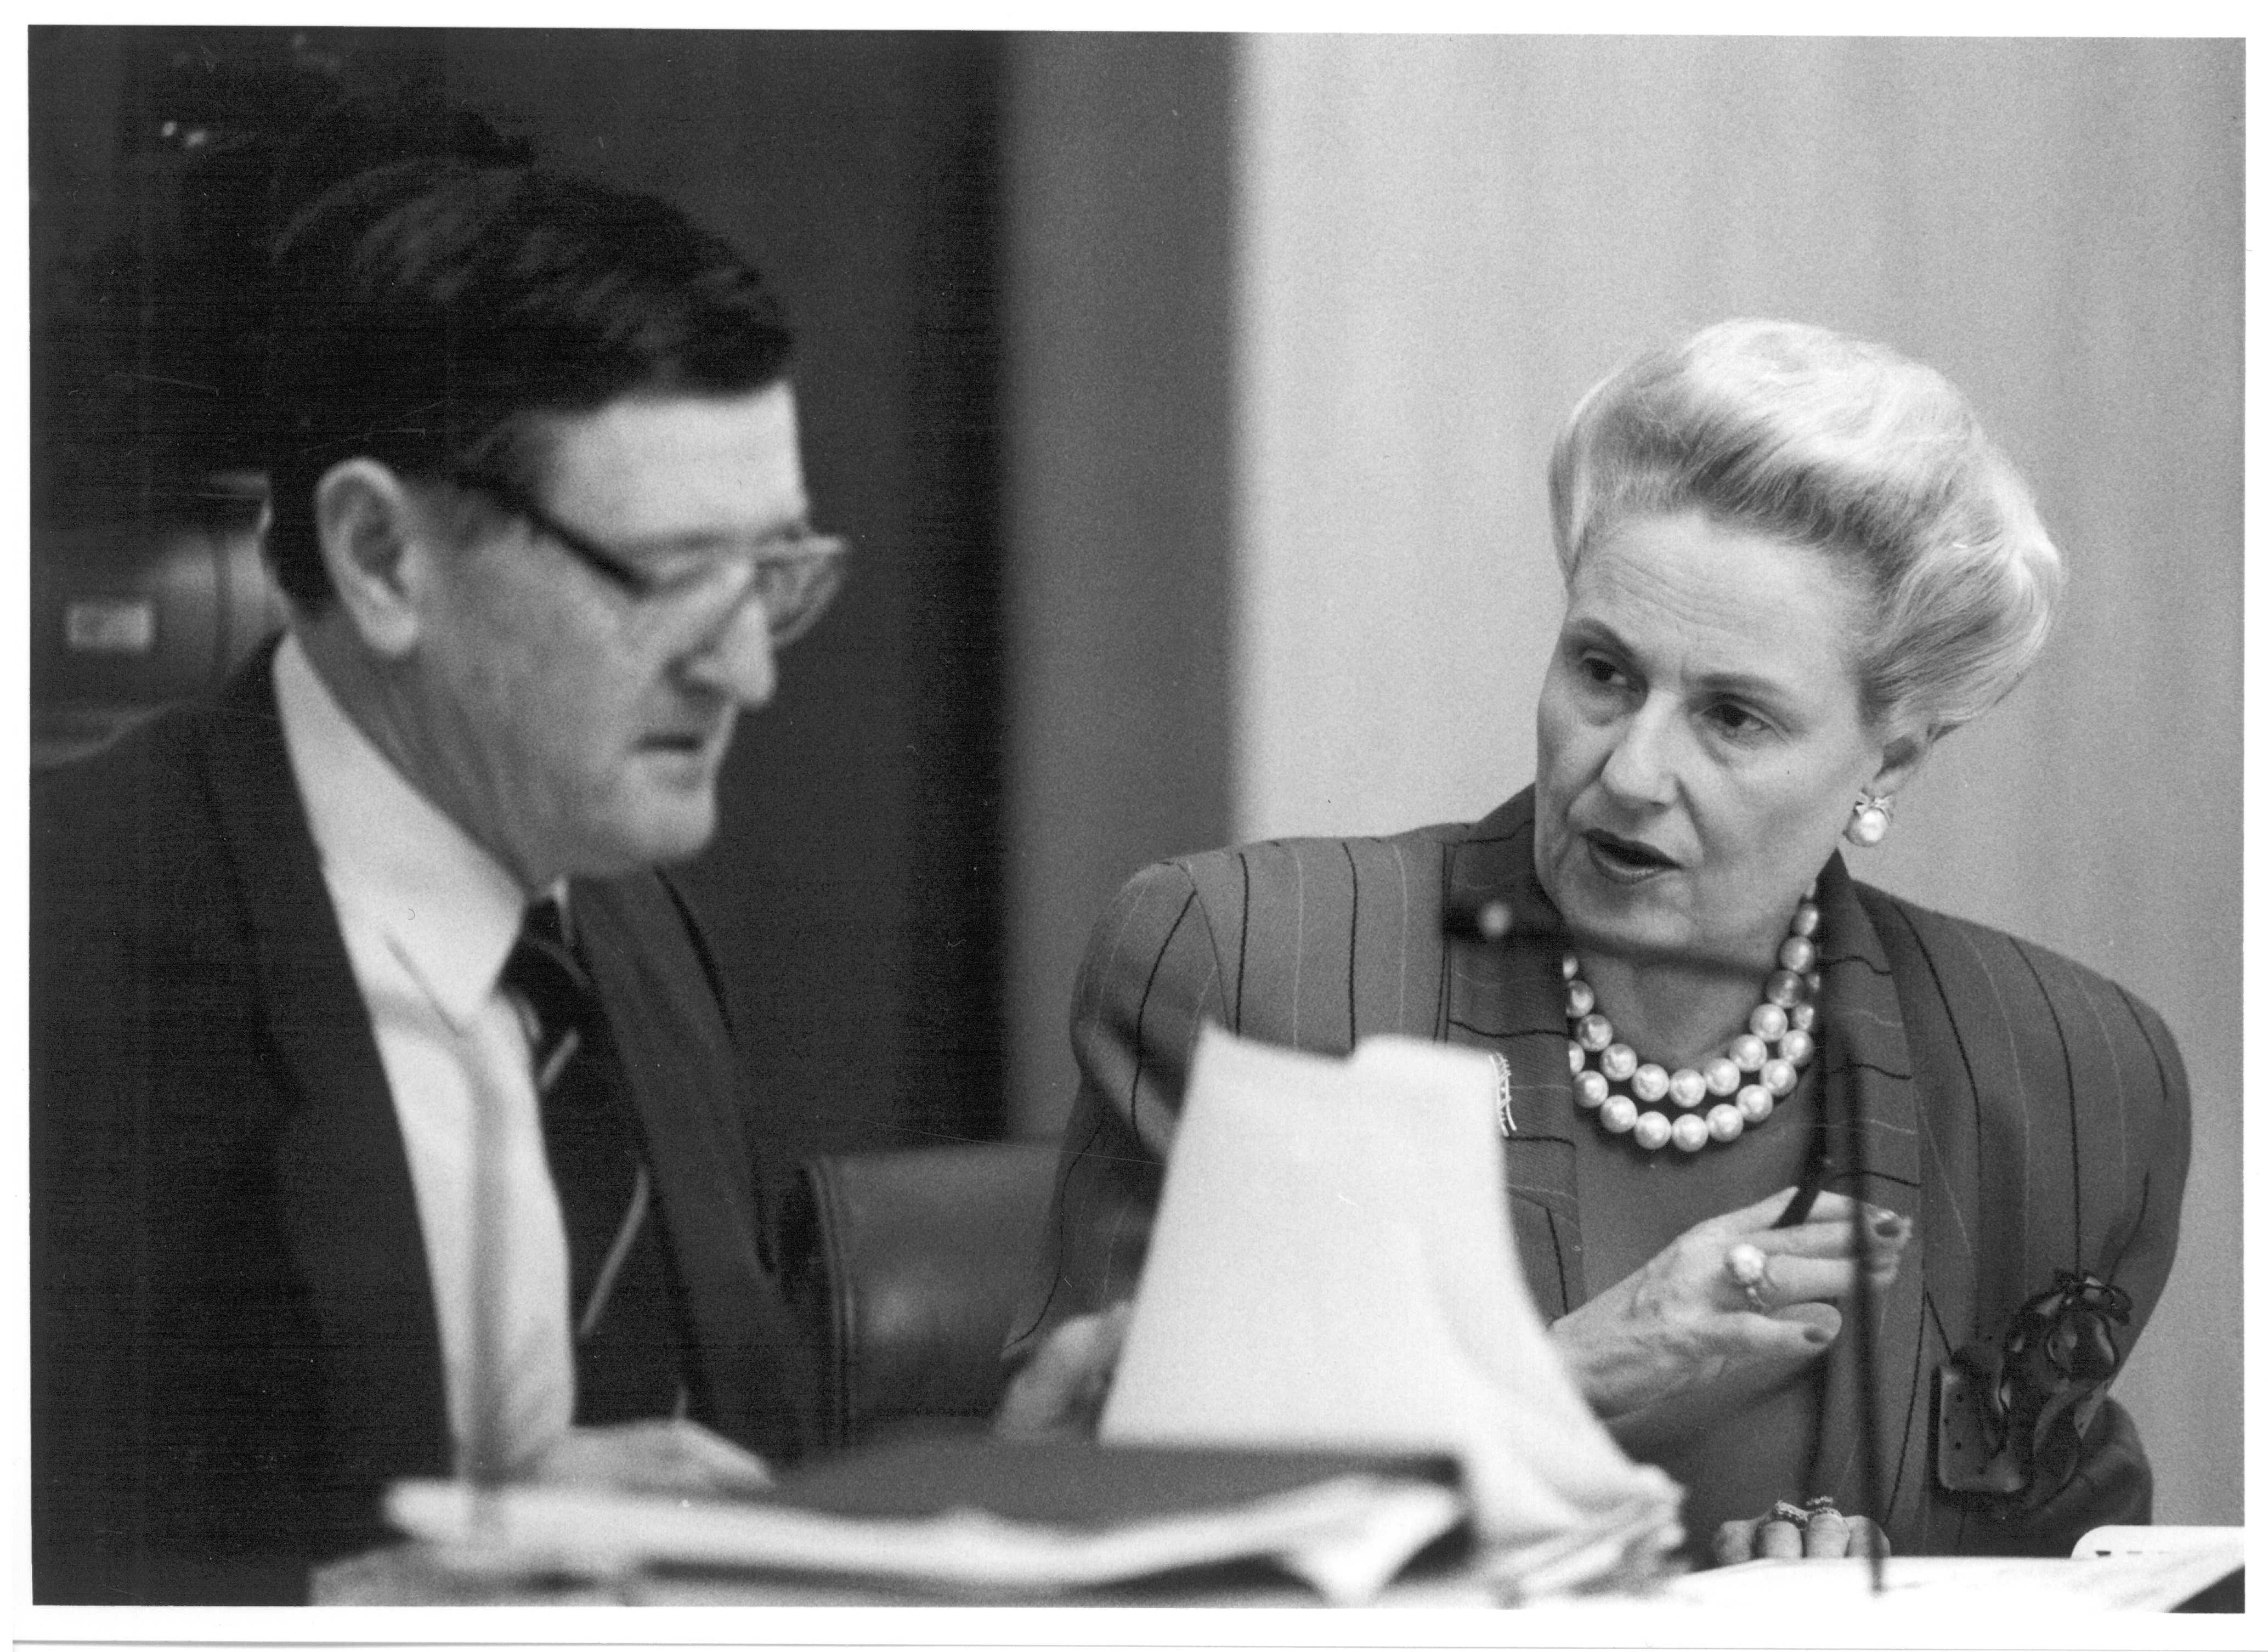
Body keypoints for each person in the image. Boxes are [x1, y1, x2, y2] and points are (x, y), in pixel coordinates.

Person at [1004, 320, 2190, 1564]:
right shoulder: (1256, 973)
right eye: (1603, 672)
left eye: (1731, 716)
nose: (1627, 771)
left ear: (1890, 753)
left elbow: (2083, 1589)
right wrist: (1569, 1377)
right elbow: (1072, 1517)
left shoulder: (2064, 1080)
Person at [31, 155, 850, 1602]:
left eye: (773, 573)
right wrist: (369, 1605)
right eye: (669, 580)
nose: (752, 671)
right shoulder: (57, 941)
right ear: (379, 556)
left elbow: (720, 1485)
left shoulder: (630, 922)